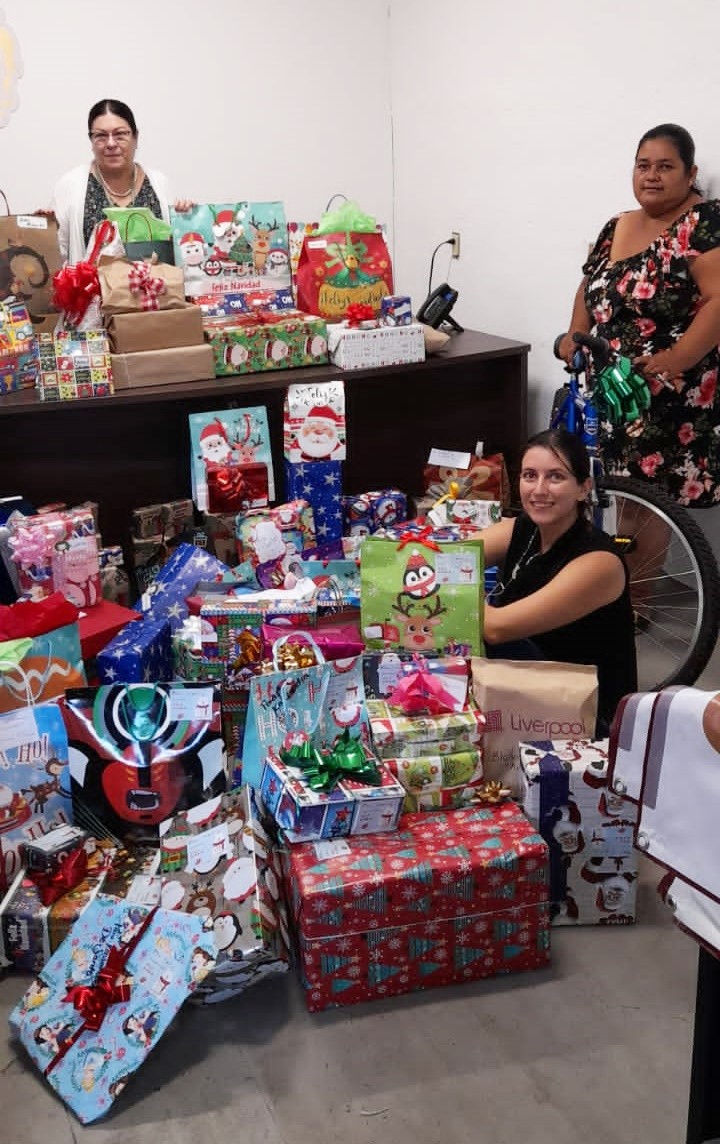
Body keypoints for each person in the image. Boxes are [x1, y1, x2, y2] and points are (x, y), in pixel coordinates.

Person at [557, 123, 720, 507]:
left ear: (691, 174)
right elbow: (591, 282)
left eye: (665, 166)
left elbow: (718, 300)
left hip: (667, 390)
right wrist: (575, 333)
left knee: (646, 507)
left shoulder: (704, 222)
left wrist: (674, 359)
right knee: (614, 498)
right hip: (612, 388)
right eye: (643, 166)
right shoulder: (617, 225)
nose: (651, 176)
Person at [480, 428, 637, 732]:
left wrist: (451, 587)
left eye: (555, 477)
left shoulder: (599, 563)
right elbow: (451, 556)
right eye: (530, 475)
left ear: (583, 488)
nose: (539, 490)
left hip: (583, 719)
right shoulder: (526, 528)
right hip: (527, 686)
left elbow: (495, 629)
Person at [51, 98, 193, 264]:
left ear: (135, 137)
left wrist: (186, 220)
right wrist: (45, 229)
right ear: (91, 141)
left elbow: (179, 249)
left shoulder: (159, 183)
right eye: (101, 136)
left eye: (120, 135)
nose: (111, 143)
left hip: (155, 281)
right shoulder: (70, 185)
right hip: (92, 282)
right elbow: (56, 256)